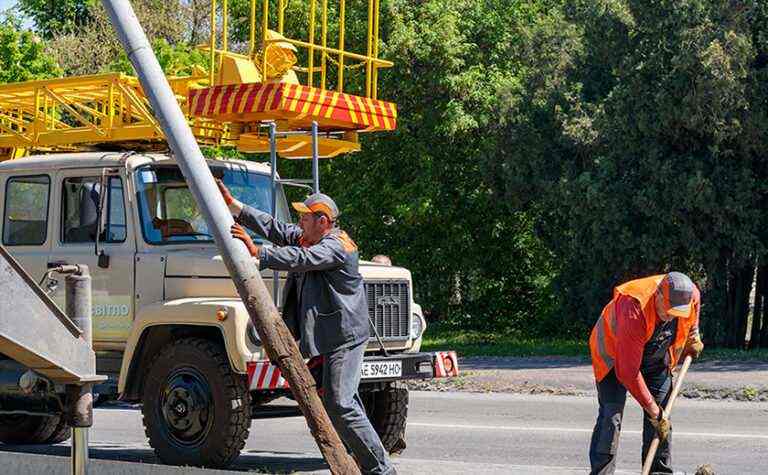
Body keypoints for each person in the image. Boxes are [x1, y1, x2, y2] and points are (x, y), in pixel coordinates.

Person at [217, 180, 396, 475]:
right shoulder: (308, 237)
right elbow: (276, 228)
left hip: (345, 338)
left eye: (304, 217)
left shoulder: (337, 246)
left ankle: (381, 471)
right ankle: (370, 463)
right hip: (329, 336)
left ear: (322, 221)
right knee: (344, 403)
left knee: (340, 404)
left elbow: (303, 259)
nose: (299, 222)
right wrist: (235, 206)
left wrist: (259, 253)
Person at [588, 272, 704, 475]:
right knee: (611, 416)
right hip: (615, 356)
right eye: (668, 310)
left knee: (663, 419)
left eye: (677, 312)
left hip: (655, 355)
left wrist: (693, 335)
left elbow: (694, 306)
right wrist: (653, 411)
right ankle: (602, 472)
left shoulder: (689, 294)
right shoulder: (634, 306)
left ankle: (658, 472)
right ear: (658, 295)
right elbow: (628, 372)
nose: (671, 316)